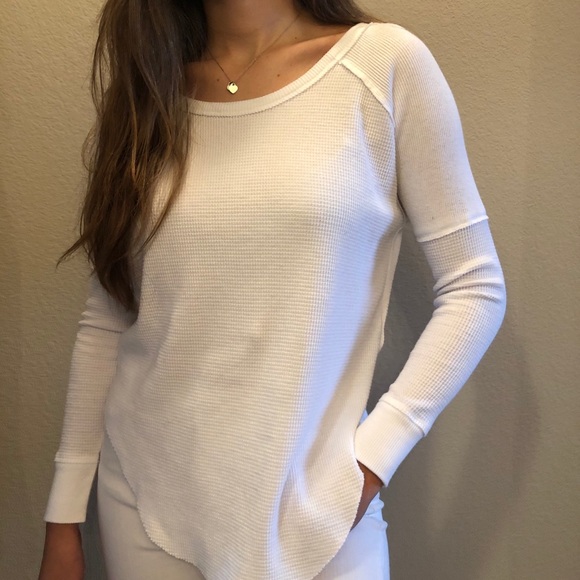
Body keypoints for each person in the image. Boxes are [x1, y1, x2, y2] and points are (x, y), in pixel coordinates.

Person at [38, 0, 507, 579]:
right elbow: (110, 315)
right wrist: (63, 518)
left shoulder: (383, 65)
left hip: (321, 507)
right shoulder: (148, 90)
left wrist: (370, 465)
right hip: (146, 497)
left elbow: (474, 286)